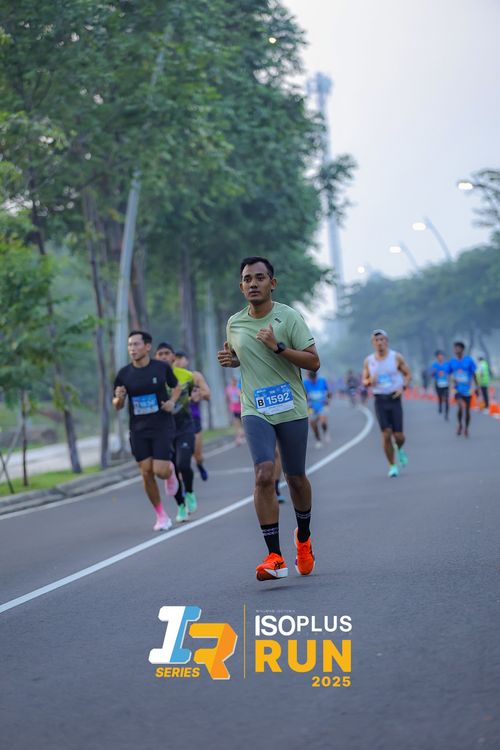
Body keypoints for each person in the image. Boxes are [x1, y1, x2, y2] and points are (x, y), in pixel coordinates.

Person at [218, 256, 319, 581]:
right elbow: (241, 356)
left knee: (295, 478)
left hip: (290, 408)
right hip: (255, 408)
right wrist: (232, 360)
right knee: (263, 475)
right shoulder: (234, 323)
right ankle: (274, 556)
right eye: (247, 279)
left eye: (260, 278)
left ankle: (303, 538)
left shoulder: (288, 317)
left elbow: (313, 362)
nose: (253, 284)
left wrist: (278, 348)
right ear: (241, 286)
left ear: (272, 283)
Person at [113, 331, 180, 531]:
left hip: (161, 426)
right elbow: (117, 405)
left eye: (136, 344)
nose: (132, 349)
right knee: (146, 472)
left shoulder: (161, 368)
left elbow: (176, 387)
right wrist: (119, 398)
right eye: (130, 345)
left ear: (147, 346)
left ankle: (170, 472)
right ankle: (161, 515)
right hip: (138, 429)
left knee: (160, 471)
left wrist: (172, 402)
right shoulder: (124, 374)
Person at [155, 343, 198, 522]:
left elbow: (194, 393)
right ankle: (180, 505)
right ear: (156, 357)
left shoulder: (187, 376)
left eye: (167, 353)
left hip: (185, 426)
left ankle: (190, 492)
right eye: (160, 354)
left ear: (173, 357)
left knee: (183, 464)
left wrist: (196, 396)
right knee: (170, 470)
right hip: (163, 430)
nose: (164, 356)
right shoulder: (152, 377)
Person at [362, 329, 411, 478]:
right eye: (376, 340)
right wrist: (370, 381)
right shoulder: (369, 361)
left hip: (395, 398)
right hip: (380, 400)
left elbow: (407, 374)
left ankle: (400, 448)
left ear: (387, 341)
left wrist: (403, 387)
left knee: (399, 436)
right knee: (386, 434)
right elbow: (364, 381)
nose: (379, 343)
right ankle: (392, 465)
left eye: (382, 339)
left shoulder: (396, 357)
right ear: (373, 343)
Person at [175, 351, 211, 481]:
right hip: (176, 421)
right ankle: (183, 485)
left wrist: (199, 395)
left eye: (181, 358)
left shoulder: (194, 376)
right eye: (175, 359)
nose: (178, 361)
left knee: (198, 455)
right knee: (180, 458)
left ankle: (200, 465)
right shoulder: (170, 377)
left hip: (193, 419)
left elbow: (207, 395)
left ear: (187, 360)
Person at [448, 342, 479, 437]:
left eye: (457, 348)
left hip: (467, 389)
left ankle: (466, 428)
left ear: (462, 349)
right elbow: (449, 374)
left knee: (467, 411)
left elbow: (474, 374)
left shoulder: (469, 360)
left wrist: (477, 387)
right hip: (457, 389)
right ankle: (460, 425)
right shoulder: (452, 362)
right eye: (455, 348)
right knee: (461, 406)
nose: (455, 350)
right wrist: (451, 381)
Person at [304, 370, 331, 447]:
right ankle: (318, 439)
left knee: (322, 421)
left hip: (322, 405)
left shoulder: (322, 380)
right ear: (309, 378)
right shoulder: (305, 383)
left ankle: (325, 432)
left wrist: (328, 400)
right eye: (312, 379)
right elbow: (304, 394)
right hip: (311, 407)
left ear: (317, 376)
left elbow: (328, 391)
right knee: (312, 423)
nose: (313, 381)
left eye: (315, 379)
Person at [225, 376, 244, 446]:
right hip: (234, 409)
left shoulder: (238, 387)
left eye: (234, 381)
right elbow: (226, 397)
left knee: (242, 424)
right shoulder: (228, 388)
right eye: (232, 381)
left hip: (241, 408)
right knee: (237, 425)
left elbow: (241, 396)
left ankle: (242, 435)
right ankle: (238, 439)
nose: (233, 382)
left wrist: (239, 395)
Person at [431, 350, 450, 419]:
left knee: (446, 398)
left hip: (445, 383)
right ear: (437, 357)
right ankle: (440, 406)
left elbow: (449, 373)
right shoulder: (434, 365)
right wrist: (433, 372)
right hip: (438, 383)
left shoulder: (446, 365)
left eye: (441, 356)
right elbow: (432, 375)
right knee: (440, 397)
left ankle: (446, 414)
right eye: (439, 356)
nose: (440, 357)